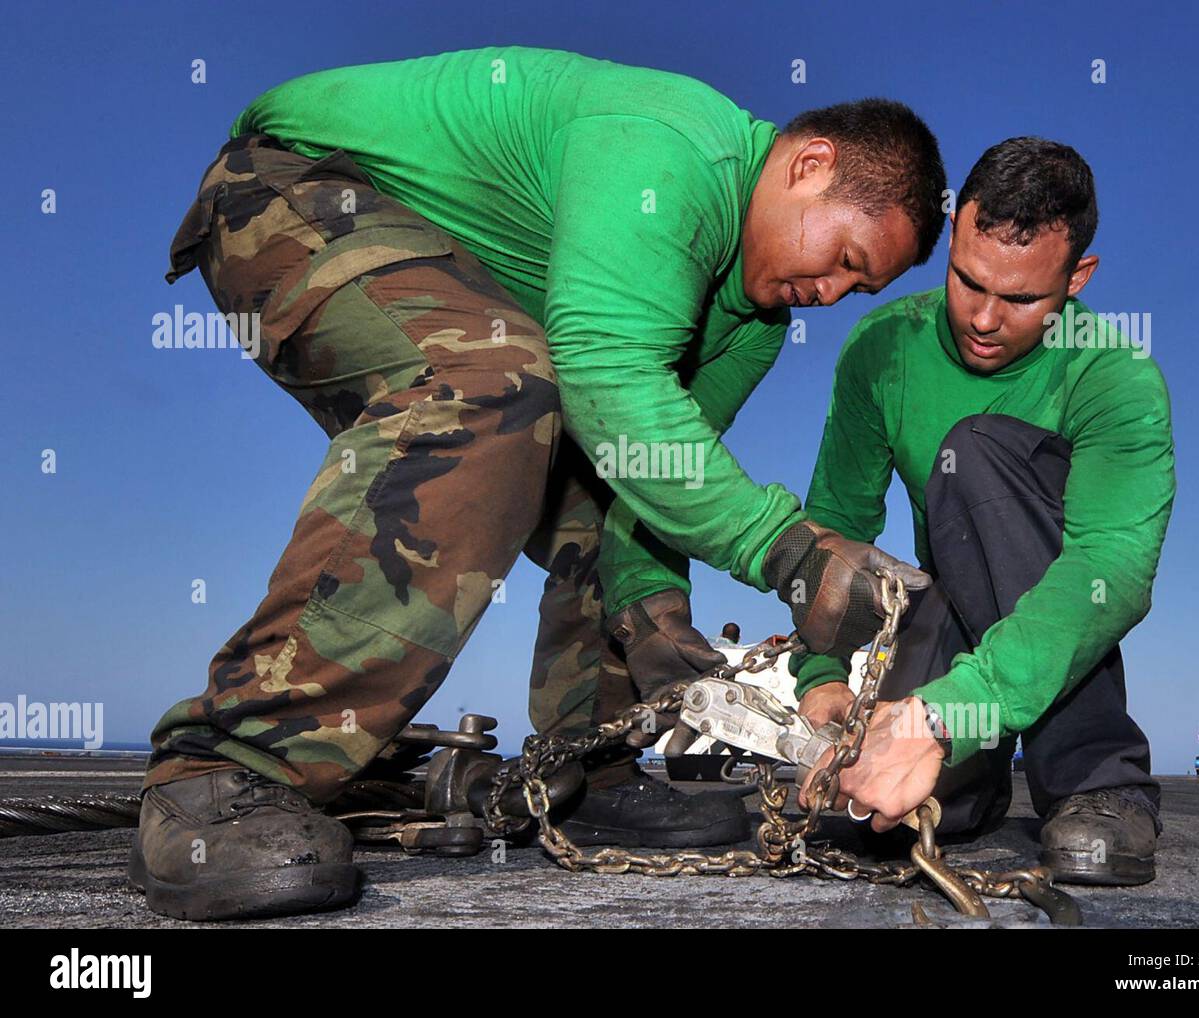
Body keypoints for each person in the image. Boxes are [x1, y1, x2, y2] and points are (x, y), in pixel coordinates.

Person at [132, 46, 944, 919]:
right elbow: (604, 379)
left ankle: (583, 771)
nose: (830, 295)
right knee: (498, 389)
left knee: (586, 470)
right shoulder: (672, 147)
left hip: (463, 292)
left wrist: (652, 615)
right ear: (808, 163)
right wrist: (792, 554)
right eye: (845, 258)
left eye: (858, 291)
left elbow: (647, 468)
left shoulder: (751, 324)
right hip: (290, 191)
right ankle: (225, 769)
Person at [793, 137, 1175, 886]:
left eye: (1022, 297)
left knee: (971, 451)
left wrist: (942, 717)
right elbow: (836, 525)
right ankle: (979, 781)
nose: (985, 318)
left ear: (1078, 279)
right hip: (948, 607)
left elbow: (1111, 569)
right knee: (874, 819)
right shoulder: (884, 351)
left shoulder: (1115, 376)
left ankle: (1100, 779)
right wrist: (820, 672)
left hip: (1059, 614)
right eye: (968, 281)